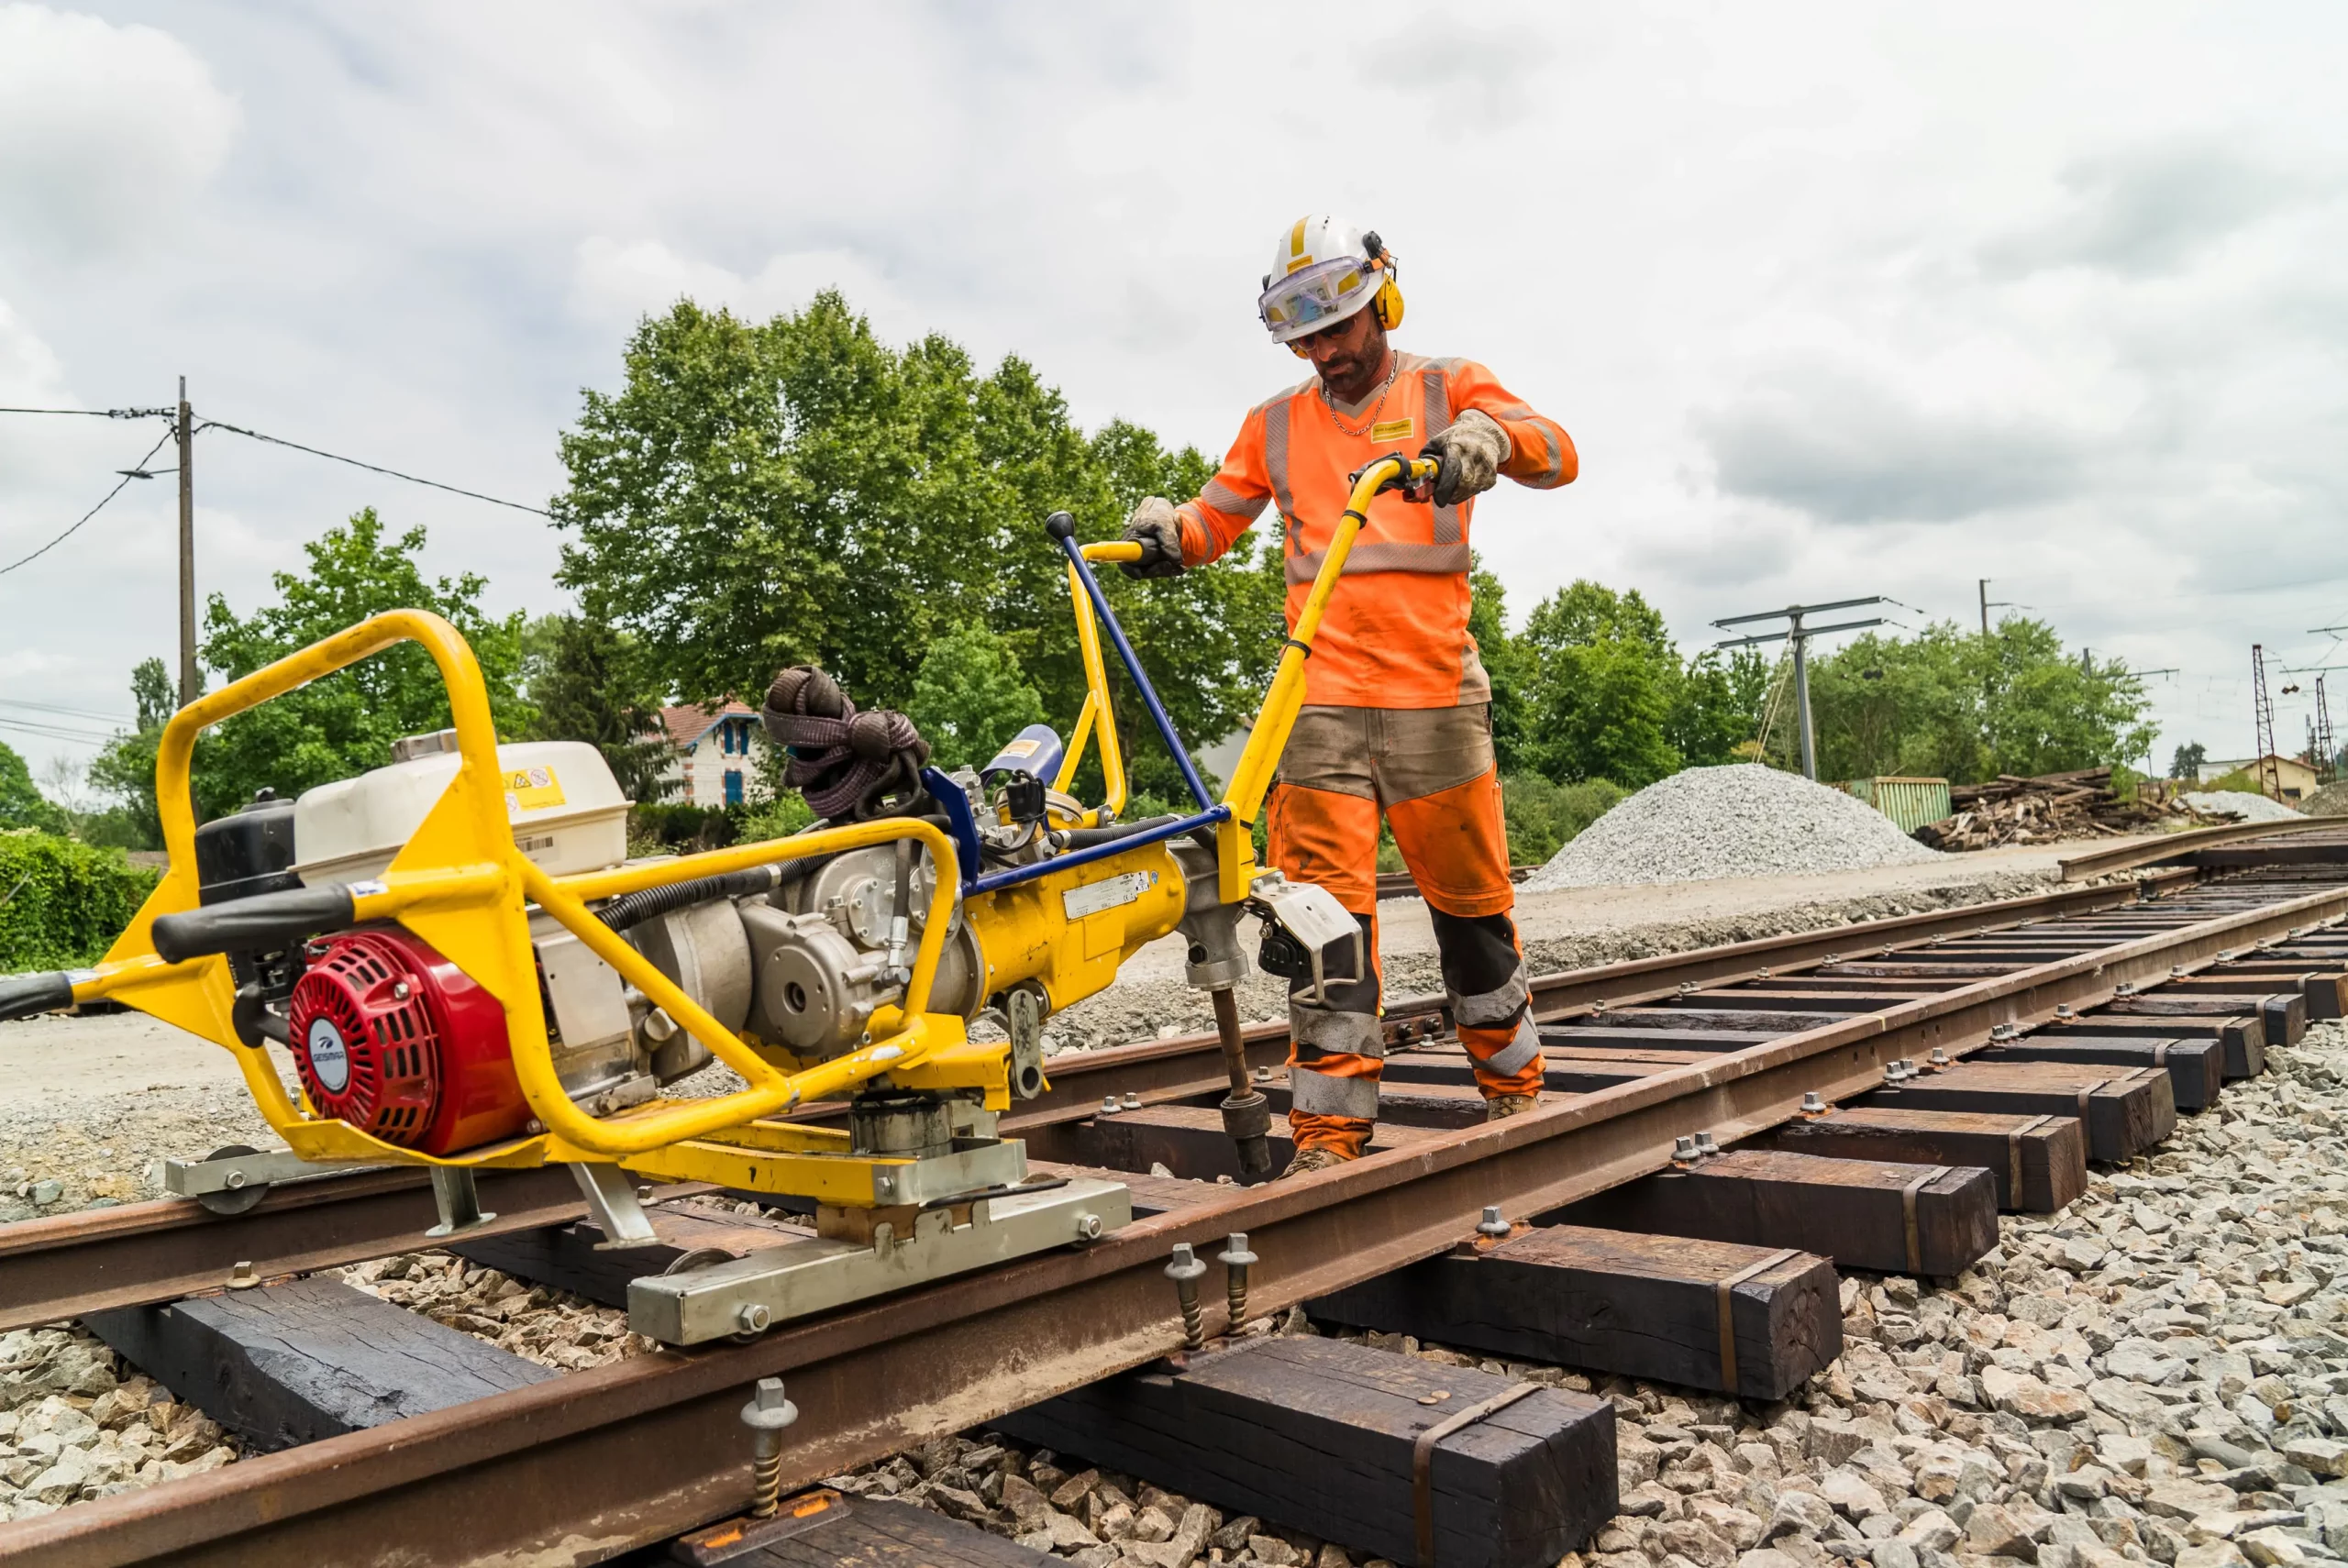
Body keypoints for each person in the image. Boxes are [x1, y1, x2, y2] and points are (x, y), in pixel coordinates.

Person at [1117, 215, 1578, 1174]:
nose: (1323, 351)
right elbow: (1215, 518)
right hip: (1318, 703)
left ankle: (1515, 1103)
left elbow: (1557, 451)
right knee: (1323, 929)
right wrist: (1167, 529)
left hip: (1435, 698)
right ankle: (1330, 1141)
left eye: (1337, 329)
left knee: (1474, 916)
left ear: (1380, 303)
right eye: (1304, 337)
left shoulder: (1446, 387)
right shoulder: (1274, 424)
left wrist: (1488, 438)